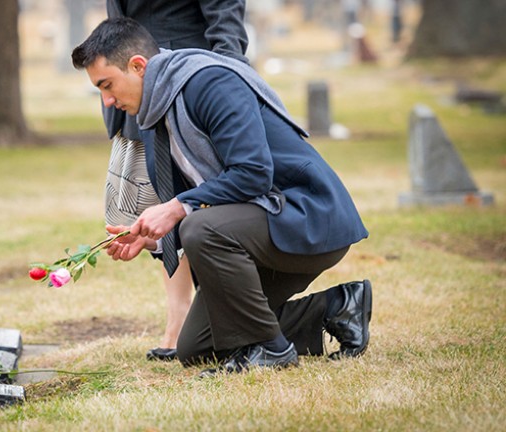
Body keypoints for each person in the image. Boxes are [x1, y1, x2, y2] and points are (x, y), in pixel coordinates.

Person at [72, 18, 372, 376]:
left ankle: (271, 349)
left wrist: (174, 209)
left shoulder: (209, 82)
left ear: (137, 66)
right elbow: (196, 201)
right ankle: (336, 308)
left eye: (107, 85)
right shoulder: (153, 115)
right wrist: (151, 239)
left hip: (306, 216)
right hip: (259, 227)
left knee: (201, 227)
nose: (107, 101)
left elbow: (253, 173)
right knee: (196, 347)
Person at [101, 0, 249, 362]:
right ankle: (180, 312)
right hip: (130, 76)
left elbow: (224, 15)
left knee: (193, 199)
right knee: (150, 198)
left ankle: (213, 316)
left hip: (187, 78)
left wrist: (229, 79)